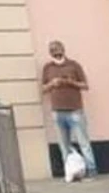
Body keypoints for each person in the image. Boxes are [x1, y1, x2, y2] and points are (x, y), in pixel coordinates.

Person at [41, 40, 97, 180]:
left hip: (75, 110)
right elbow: (43, 88)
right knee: (63, 144)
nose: (56, 52)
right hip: (57, 111)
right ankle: (70, 172)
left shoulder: (74, 65)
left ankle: (91, 170)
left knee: (83, 142)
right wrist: (52, 84)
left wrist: (71, 82)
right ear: (50, 52)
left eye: (58, 49)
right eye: (53, 50)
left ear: (63, 49)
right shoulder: (47, 68)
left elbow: (85, 85)